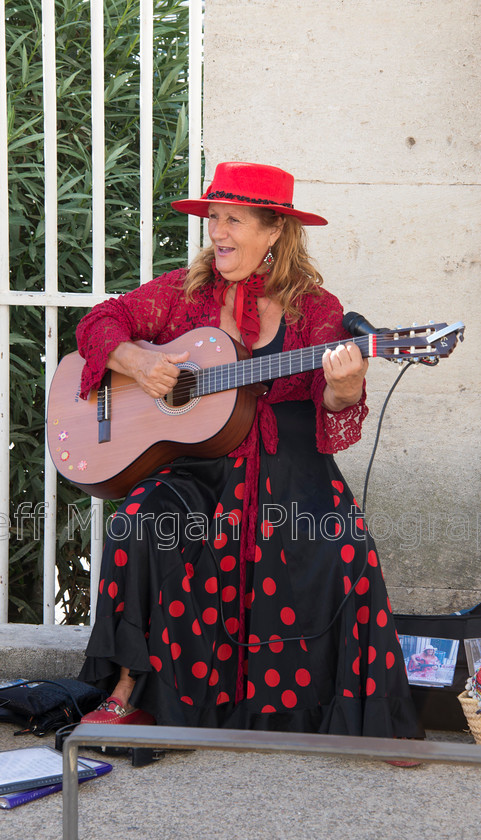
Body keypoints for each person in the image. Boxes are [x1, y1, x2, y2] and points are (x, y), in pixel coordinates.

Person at [78, 161, 422, 739]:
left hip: (290, 465)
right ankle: (128, 691)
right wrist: (137, 361)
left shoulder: (316, 309)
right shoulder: (182, 295)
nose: (217, 232)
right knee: (139, 522)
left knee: (340, 550)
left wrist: (342, 385)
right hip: (196, 466)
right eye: (213, 217)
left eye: (233, 219)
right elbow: (102, 321)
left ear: (274, 232)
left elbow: (333, 408)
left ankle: (357, 718)